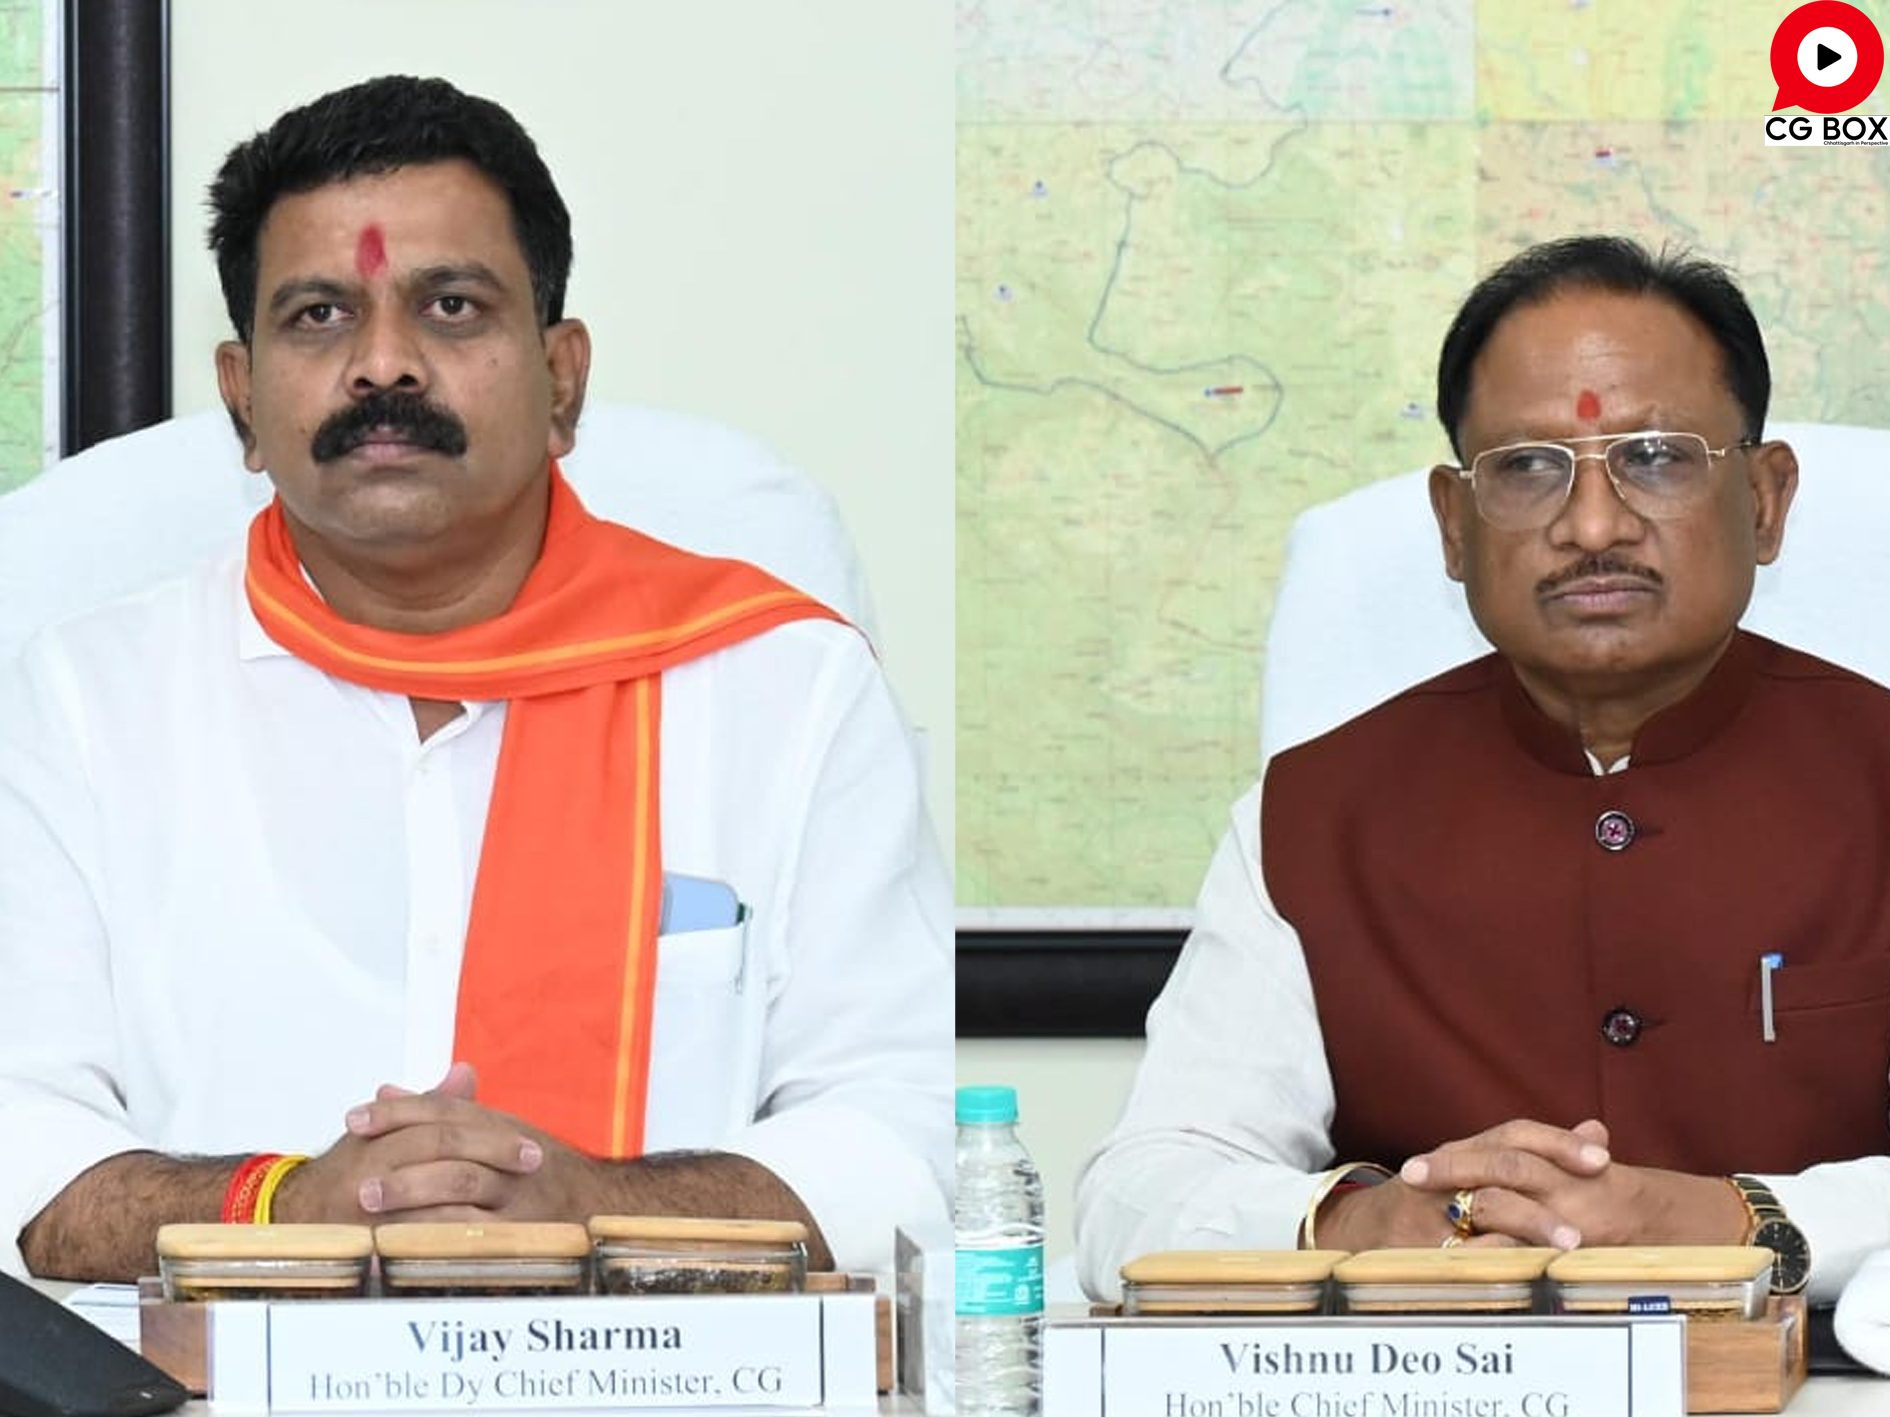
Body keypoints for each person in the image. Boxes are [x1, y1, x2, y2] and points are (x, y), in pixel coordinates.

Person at [0, 75, 951, 1282]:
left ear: (563, 377)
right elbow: (20, 1135)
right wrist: (285, 1208)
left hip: (667, 1367)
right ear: (241, 397)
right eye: (319, 316)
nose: (383, 365)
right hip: (210, 1370)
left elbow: (904, 1135)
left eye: (450, 308)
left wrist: (597, 1208)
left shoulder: (781, 685)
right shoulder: (84, 704)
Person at [1076, 235, 1890, 1305]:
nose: (1593, 526)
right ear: (1454, 526)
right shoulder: (1316, 814)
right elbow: (1134, 1195)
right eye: (1527, 468)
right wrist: (1360, 1221)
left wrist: (1729, 1220)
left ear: (1767, 500)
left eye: (1656, 457)